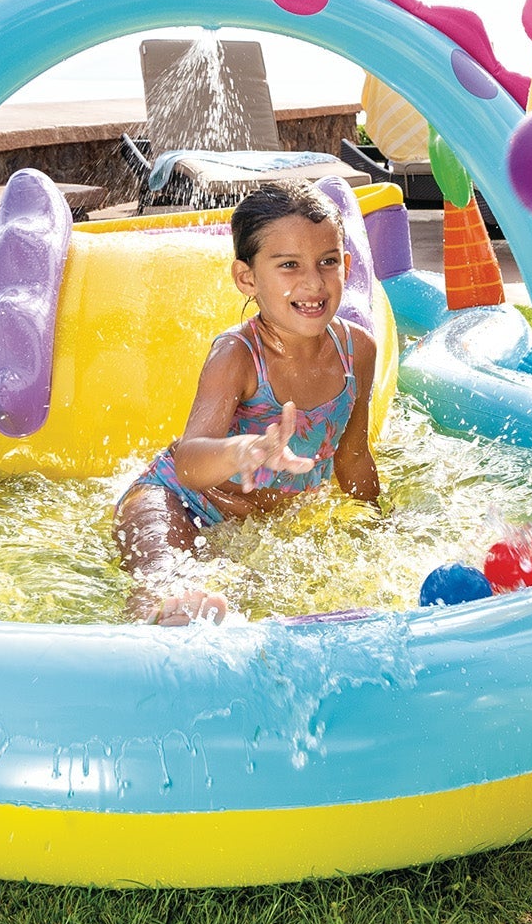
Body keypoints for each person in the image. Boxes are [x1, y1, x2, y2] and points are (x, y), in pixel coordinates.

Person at [115, 178, 380, 622]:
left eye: (328, 261)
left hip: (251, 525)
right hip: (177, 501)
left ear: (347, 266)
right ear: (247, 278)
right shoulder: (237, 356)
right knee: (162, 573)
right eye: (289, 265)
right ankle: (162, 617)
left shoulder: (358, 351)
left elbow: (353, 456)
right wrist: (242, 451)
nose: (313, 282)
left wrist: (380, 527)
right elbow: (189, 462)